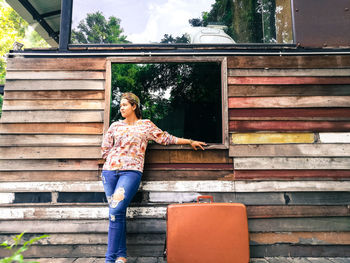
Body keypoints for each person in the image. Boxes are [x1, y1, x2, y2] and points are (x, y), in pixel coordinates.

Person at [101, 92, 206, 263]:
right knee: (117, 213)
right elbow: (105, 148)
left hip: (131, 172)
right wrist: (112, 161)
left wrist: (189, 141)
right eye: (120, 105)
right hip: (109, 173)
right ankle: (121, 256)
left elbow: (165, 138)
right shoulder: (115, 126)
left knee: (114, 211)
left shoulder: (146, 125)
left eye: (125, 105)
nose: (121, 108)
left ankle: (109, 259)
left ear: (134, 106)